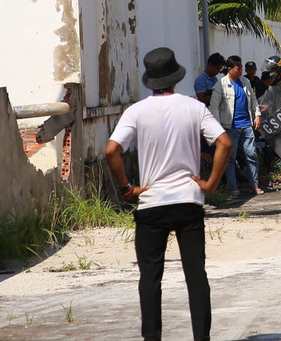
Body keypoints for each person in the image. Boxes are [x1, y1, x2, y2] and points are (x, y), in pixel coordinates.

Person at [105, 47, 231, 341]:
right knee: (196, 276)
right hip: (188, 201)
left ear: (151, 80)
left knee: (150, 278)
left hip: (151, 204)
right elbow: (224, 142)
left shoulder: (135, 111)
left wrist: (128, 189)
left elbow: (111, 150)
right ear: (176, 78)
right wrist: (210, 184)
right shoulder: (194, 108)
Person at [209, 54, 262, 196]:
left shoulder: (245, 82)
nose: (240, 71)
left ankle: (255, 185)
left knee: (251, 154)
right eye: (238, 68)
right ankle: (233, 187)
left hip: (246, 124)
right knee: (230, 158)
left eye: (241, 68)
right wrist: (218, 127)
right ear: (230, 69)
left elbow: (253, 101)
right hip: (230, 127)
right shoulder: (221, 84)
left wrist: (257, 115)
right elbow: (213, 106)